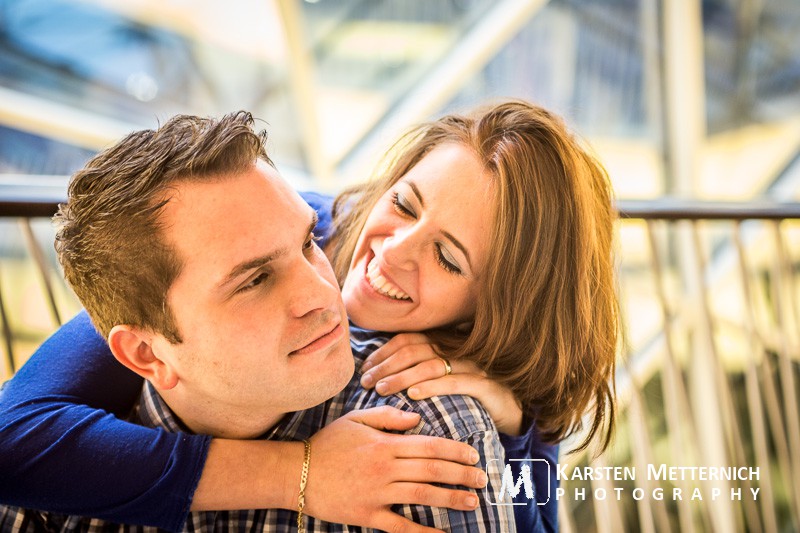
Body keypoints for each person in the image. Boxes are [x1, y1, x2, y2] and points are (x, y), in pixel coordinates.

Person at [0, 100, 619, 532]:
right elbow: (13, 439)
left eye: (449, 259)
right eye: (404, 204)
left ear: (494, 312)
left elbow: (536, 517)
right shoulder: (293, 223)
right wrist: (302, 475)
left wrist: (510, 431)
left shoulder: (447, 414)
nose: (394, 250)